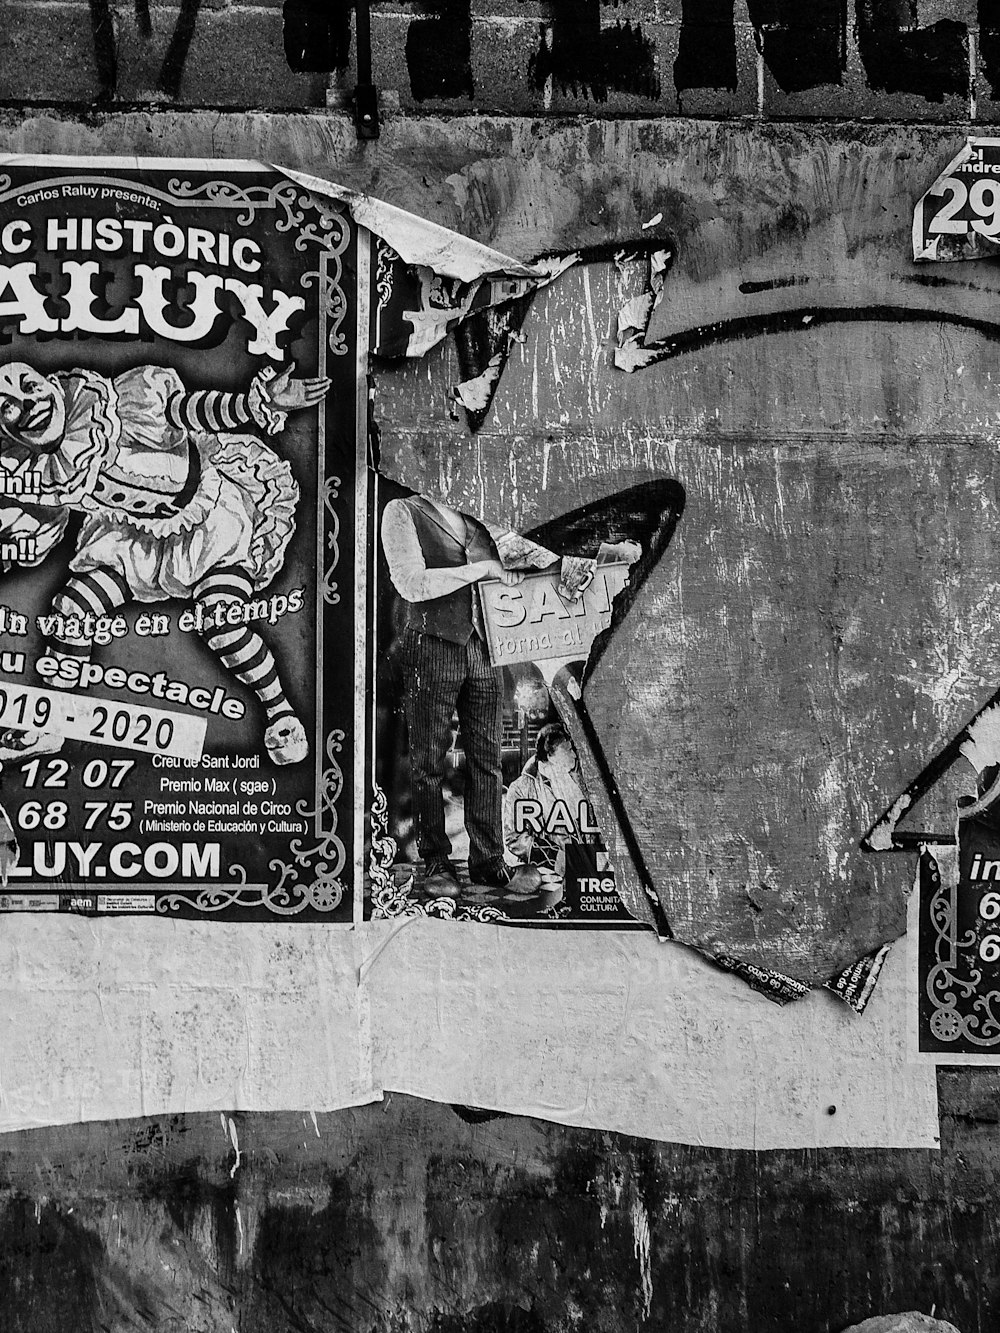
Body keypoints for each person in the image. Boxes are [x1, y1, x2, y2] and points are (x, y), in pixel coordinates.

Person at [0, 358, 328, 766]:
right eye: (6, 405)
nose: (26, 404)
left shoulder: (119, 403)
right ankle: (51, 723)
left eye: (27, 386)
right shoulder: (32, 470)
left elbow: (187, 409)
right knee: (72, 609)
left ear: (51, 383)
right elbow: (41, 525)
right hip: (135, 541)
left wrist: (253, 403)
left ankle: (280, 712)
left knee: (221, 620)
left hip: (213, 522)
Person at [381, 491, 541, 895]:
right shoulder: (403, 511)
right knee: (428, 759)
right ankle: (435, 863)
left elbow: (522, 561)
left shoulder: (479, 512)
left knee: (487, 759)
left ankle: (489, 862)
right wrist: (479, 570)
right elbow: (410, 583)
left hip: (485, 646)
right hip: (432, 643)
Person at [503, 722, 598, 882]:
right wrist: (554, 857)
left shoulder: (582, 780)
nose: (574, 755)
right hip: (548, 875)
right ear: (550, 754)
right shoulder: (521, 788)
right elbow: (513, 838)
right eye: (568, 750)